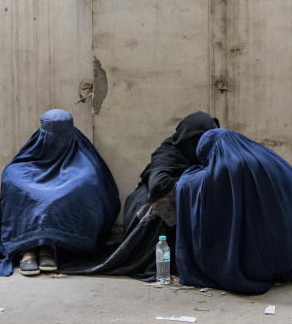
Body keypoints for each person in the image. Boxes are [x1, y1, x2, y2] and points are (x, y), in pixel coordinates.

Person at [64, 111, 219, 280]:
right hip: (146, 209)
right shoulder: (170, 153)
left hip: (168, 205)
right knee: (163, 205)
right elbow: (159, 185)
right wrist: (196, 179)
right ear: (190, 139)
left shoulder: (204, 153)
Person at [0, 109, 120, 276]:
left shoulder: (84, 158)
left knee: (68, 192)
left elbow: (91, 177)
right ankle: (26, 248)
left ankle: (49, 247)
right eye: (52, 136)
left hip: (68, 177)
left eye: (62, 136)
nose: (57, 141)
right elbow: (14, 170)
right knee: (15, 183)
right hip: (36, 174)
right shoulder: (33, 151)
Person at [174, 128, 292, 294]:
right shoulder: (274, 159)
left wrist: (187, 177)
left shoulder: (231, 167)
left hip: (261, 266)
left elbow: (192, 186)